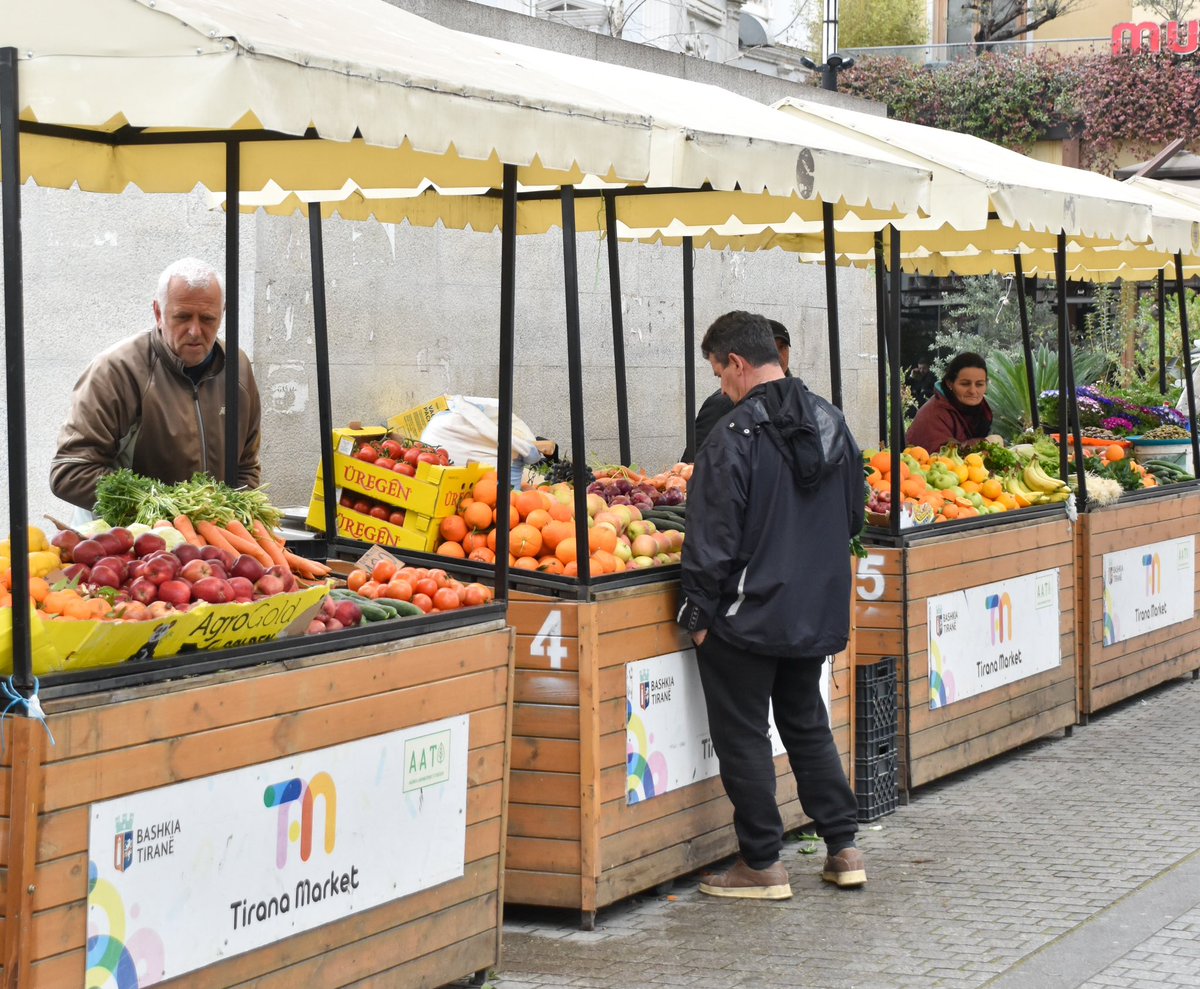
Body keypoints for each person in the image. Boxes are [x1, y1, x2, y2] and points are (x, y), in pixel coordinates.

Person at [677, 310, 866, 899]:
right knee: (805, 722)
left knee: (744, 735)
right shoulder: (832, 421)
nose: (721, 386)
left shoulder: (732, 436)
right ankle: (844, 848)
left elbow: (711, 538)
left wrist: (698, 616)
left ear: (737, 362)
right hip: (814, 607)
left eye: (719, 373)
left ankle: (762, 863)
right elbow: (854, 516)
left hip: (745, 613)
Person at [50, 258, 262, 510]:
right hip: (126, 542)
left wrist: (231, 521)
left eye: (207, 319)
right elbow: (70, 472)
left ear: (222, 313)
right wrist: (168, 507)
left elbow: (246, 468)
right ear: (158, 313)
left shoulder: (237, 367)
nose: (195, 330)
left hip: (213, 544)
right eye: (182, 317)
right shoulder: (117, 370)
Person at [682, 320, 791, 462]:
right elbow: (691, 465)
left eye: (782, 347)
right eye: (771, 348)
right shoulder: (722, 402)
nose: (777, 355)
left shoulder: (801, 400)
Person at [905, 352, 998, 452]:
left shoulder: (978, 409)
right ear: (950, 383)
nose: (973, 391)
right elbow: (945, 457)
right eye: (965, 384)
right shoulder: (933, 414)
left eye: (979, 384)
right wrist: (986, 443)